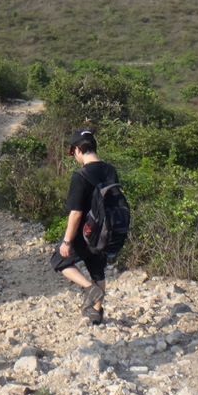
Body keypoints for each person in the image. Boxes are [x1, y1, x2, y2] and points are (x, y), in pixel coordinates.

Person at [51, 129, 120, 325]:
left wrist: (67, 241)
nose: (74, 156)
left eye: (72, 152)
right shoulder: (111, 171)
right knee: (97, 270)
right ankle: (97, 313)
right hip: (105, 231)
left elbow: (76, 213)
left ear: (79, 150)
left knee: (59, 261)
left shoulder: (80, 176)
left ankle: (91, 289)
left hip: (85, 233)